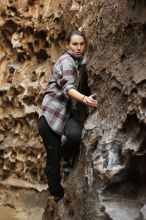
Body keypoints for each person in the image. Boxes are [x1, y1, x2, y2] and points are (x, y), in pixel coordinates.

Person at [38, 30, 97, 204]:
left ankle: (66, 156)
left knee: (76, 134)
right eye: (75, 44)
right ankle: (56, 194)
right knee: (52, 157)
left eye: (81, 44)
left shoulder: (76, 62)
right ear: (67, 45)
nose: (79, 48)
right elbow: (68, 88)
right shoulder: (67, 61)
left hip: (64, 116)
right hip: (49, 117)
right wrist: (85, 99)